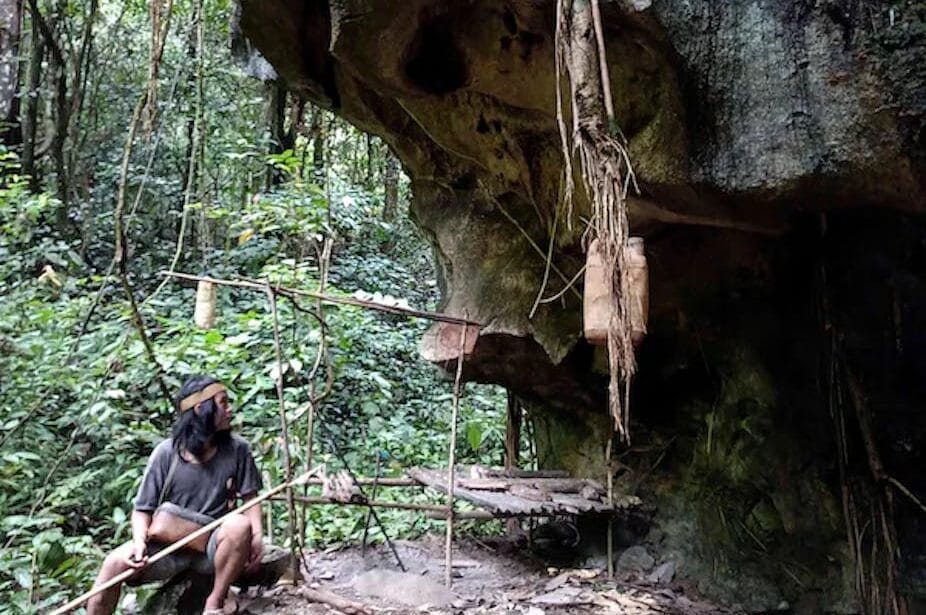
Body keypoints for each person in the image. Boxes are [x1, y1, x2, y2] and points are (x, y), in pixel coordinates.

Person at [87, 376, 264, 615]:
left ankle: (215, 602)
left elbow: (250, 498)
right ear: (201, 409)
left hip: (213, 549)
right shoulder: (166, 453)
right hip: (168, 549)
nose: (229, 410)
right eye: (223, 403)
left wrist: (256, 536)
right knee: (113, 563)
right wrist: (139, 543)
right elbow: (142, 510)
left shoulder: (238, 449)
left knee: (239, 525)